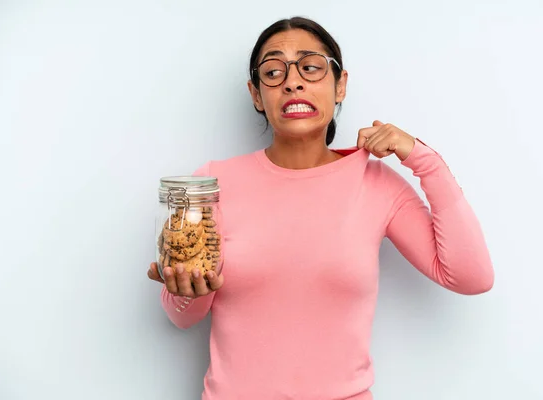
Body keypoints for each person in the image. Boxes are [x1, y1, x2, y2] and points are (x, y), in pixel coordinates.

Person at [147, 16, 494, 400]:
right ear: (257, 94)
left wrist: (424, 159)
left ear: (340, 84)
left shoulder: (375, 183)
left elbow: (471, 276)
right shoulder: (211, 183)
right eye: (274, 71)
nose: (293, 82)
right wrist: (188, 291)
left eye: (310, 67)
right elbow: (181, 316)